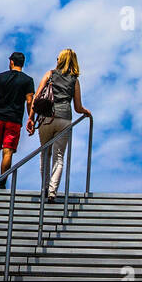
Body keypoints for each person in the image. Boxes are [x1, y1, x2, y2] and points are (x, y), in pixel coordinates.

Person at [26, 49, 92, 203]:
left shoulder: (50, 74)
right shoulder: (74, 80)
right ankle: (52, 192)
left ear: (60, 60)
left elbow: (37, 97)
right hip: (64, 119)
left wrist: (30, 118)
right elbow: (77, 107)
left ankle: (44, 188)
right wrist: (85, 111)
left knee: (45, 153)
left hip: (46, 118)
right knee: (59, 157)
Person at [0, 50, 35, 190]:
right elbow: (29, 101)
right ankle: (2, 184)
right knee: (8, 152)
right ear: (22, 64)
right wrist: (31, 118)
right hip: (14, 120)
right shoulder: (27, 80)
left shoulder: (0, 77)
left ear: (11, 62)